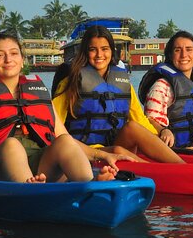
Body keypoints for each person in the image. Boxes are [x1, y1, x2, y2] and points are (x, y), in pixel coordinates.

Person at [0, 31, 131, 182]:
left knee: (65, 142)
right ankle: (31, 192)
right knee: (12, 145)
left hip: (37, 163)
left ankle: (90, 186)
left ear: (22, 59)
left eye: (13, 53)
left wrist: (101, 155)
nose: (8, 59)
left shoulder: (37, 92)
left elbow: (64, 137)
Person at [52, 25, 185, 163]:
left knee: (132, 127)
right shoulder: (71, 82)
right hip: (87, 152)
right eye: (93, 50)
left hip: (116, 143)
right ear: (85, 52)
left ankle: (181, 166)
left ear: (111, 51)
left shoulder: (123, 83)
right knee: (117, 151)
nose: (99, 55)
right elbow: (54, 123)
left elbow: (140, 120)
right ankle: (163, 172)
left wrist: (163, 131)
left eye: (104, 49)